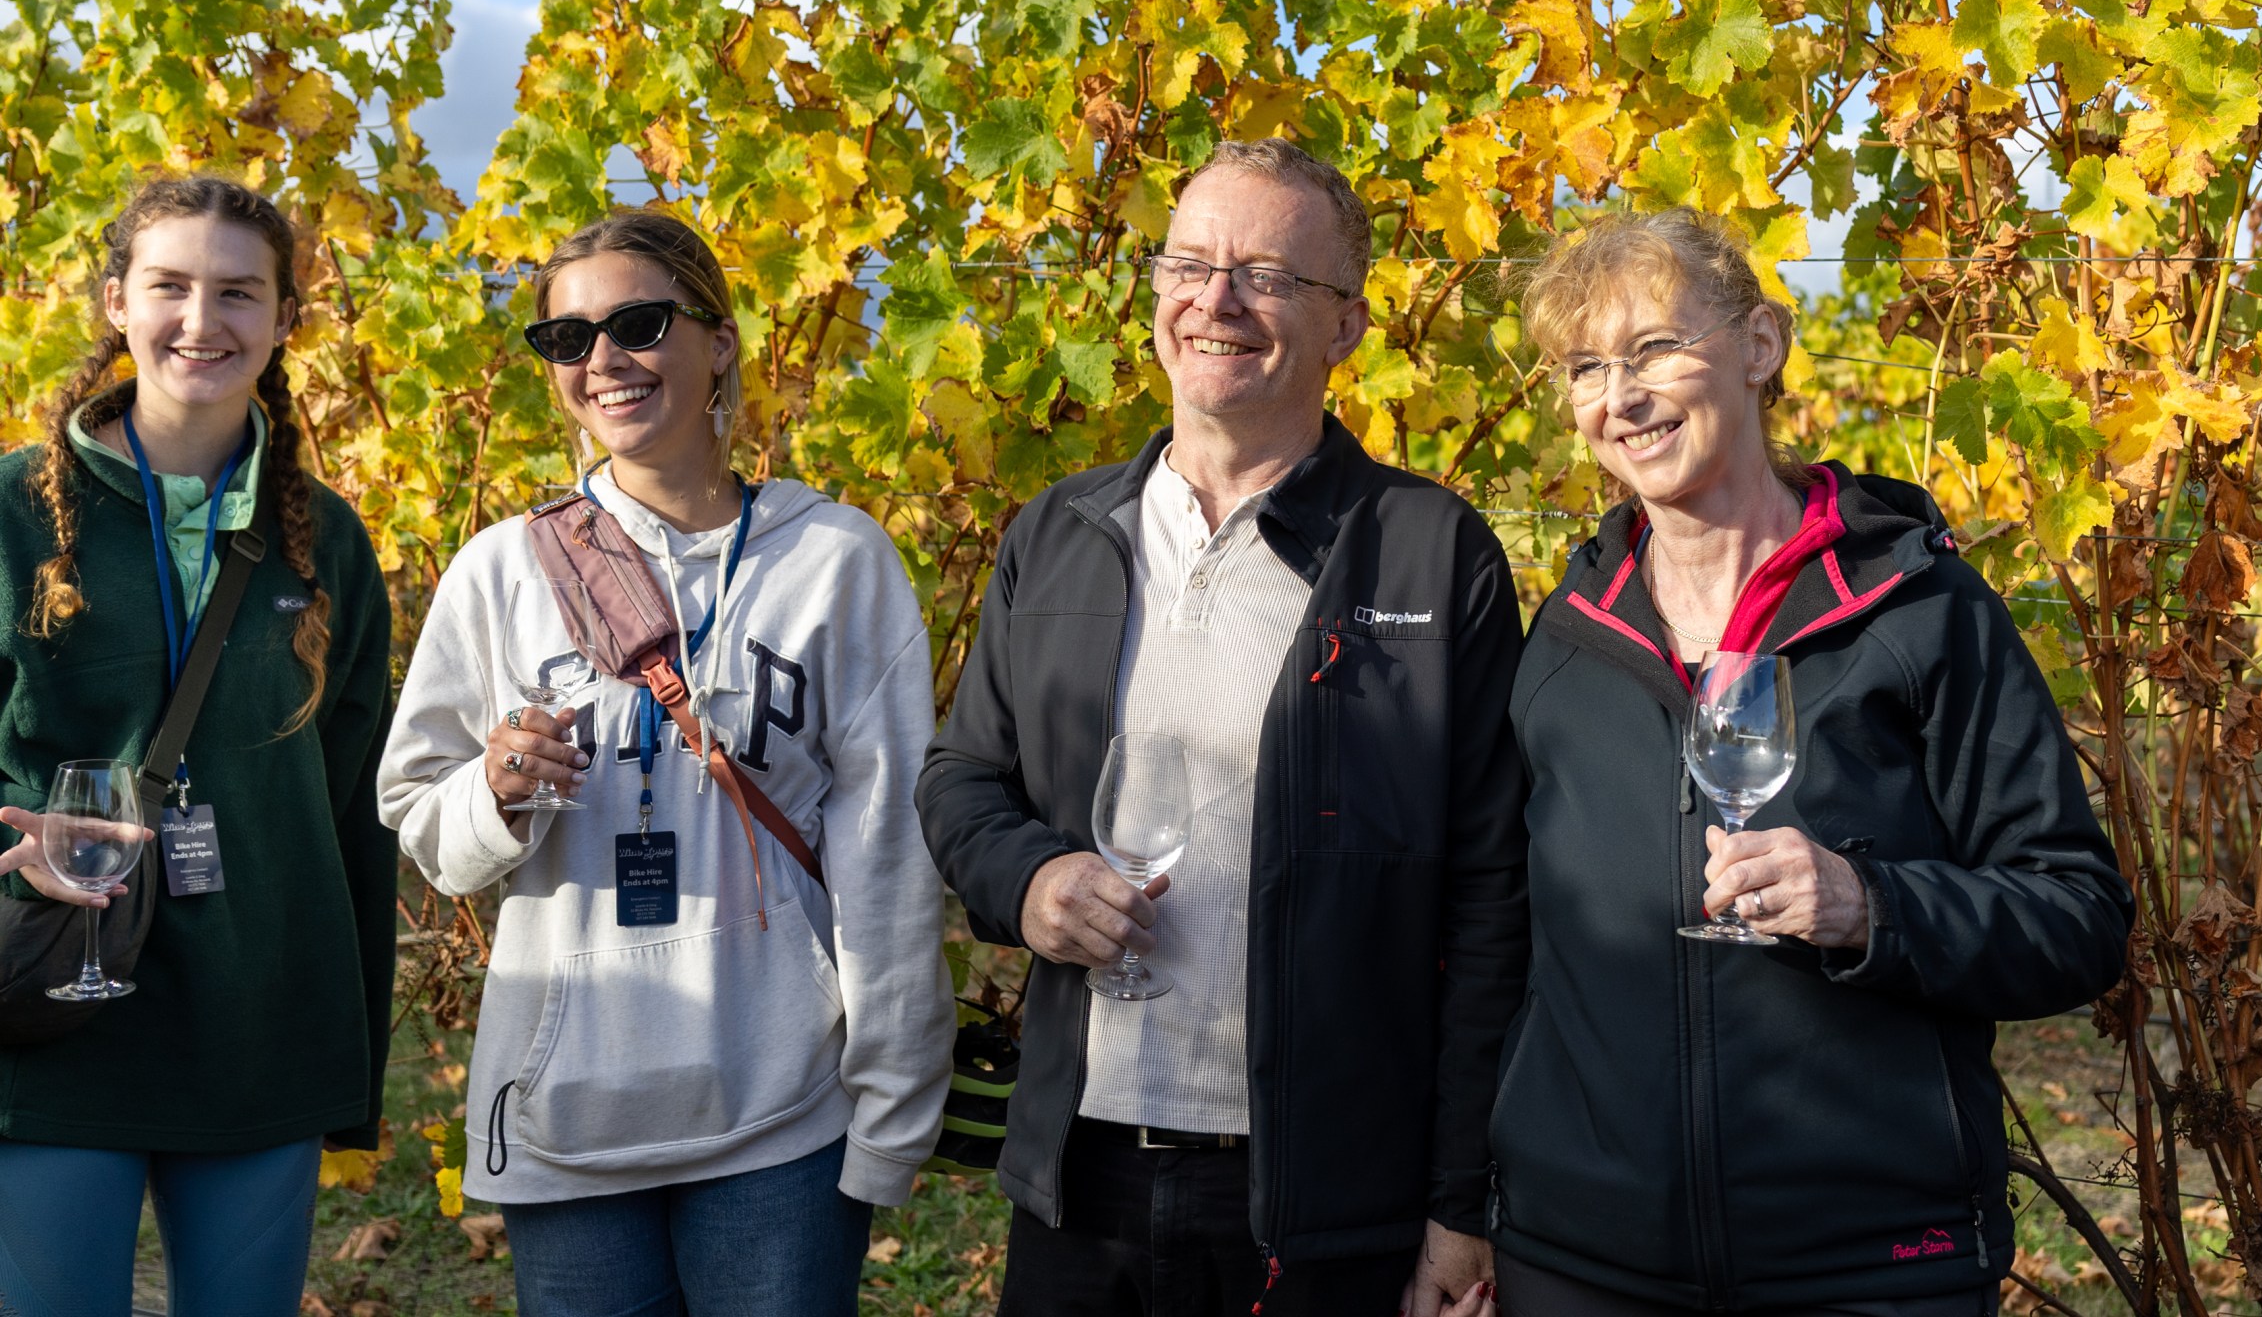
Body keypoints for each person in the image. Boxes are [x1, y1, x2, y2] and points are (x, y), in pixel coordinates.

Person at [1482, 207, 2132, 1317]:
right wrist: (1471, 1206)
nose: (1619, 396)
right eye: (1586, 367)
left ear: (1760, 346)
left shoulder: (1920, 611)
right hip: (1582, 1263)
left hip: (1870, 1263)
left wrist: (1868, 905)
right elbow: (1495, 939)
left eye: (1654, 351)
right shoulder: (1564, 641)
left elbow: (2078, 918)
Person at [918, 138, 1529, 1317]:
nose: (1216, 301)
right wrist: (1032, 879)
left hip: (1324, 1195)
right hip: (1077, 1172)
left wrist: (1463, 1204)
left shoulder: (1430, 553)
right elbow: (963, 781)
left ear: (1346, 325)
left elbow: (1492, 900)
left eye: (1266, 275)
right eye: (1188, 264)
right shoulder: (1057, 532)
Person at [379, 209, 952, 1317]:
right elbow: (426, 830)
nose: (602, 360)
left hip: (782, 1119)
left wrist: (891, 1109)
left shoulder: (836, 560)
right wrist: (493, 791)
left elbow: (888, 852)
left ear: (719, 340)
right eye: (567, 339)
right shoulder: (500, 572)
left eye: (638, 323)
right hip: (568, 1122)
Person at [0, 175, 396, 1317]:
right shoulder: (13, 513)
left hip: (259, 1019)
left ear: (282, 322)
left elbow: (355, 803)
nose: (201, 321)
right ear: (117, 302)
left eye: (239, 293)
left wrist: (349, 1061)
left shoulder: (326, 539)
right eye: (169, 286)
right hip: (51, 1018)